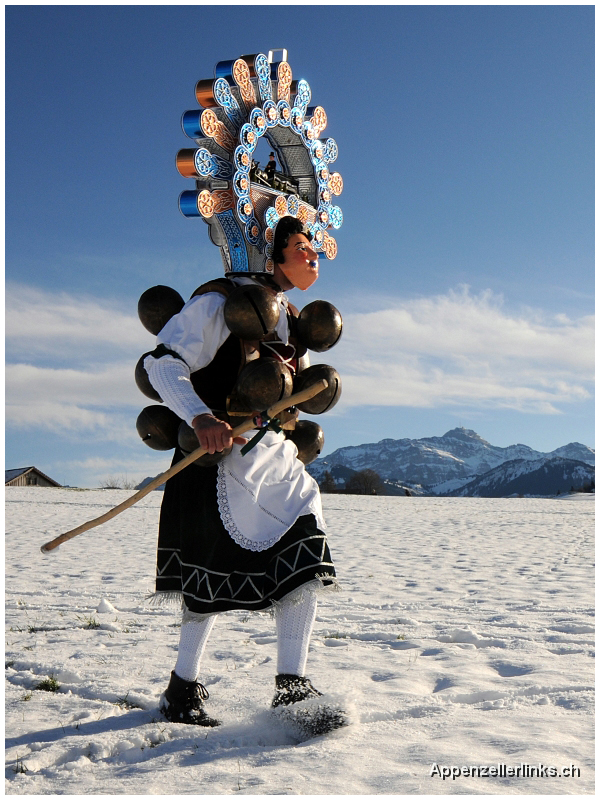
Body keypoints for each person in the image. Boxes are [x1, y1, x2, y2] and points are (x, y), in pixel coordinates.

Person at [144, 217, 338, 726]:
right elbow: (161, 364)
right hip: (214, 457)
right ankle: (182, 688)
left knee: (305, 546)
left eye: (313, 246)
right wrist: (201, 416)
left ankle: (293, 685)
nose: (312, 254)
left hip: (273, 457)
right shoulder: (218, 302)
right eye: (300, 246)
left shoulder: (292, 319)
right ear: (268, 255)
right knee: (206, 580)